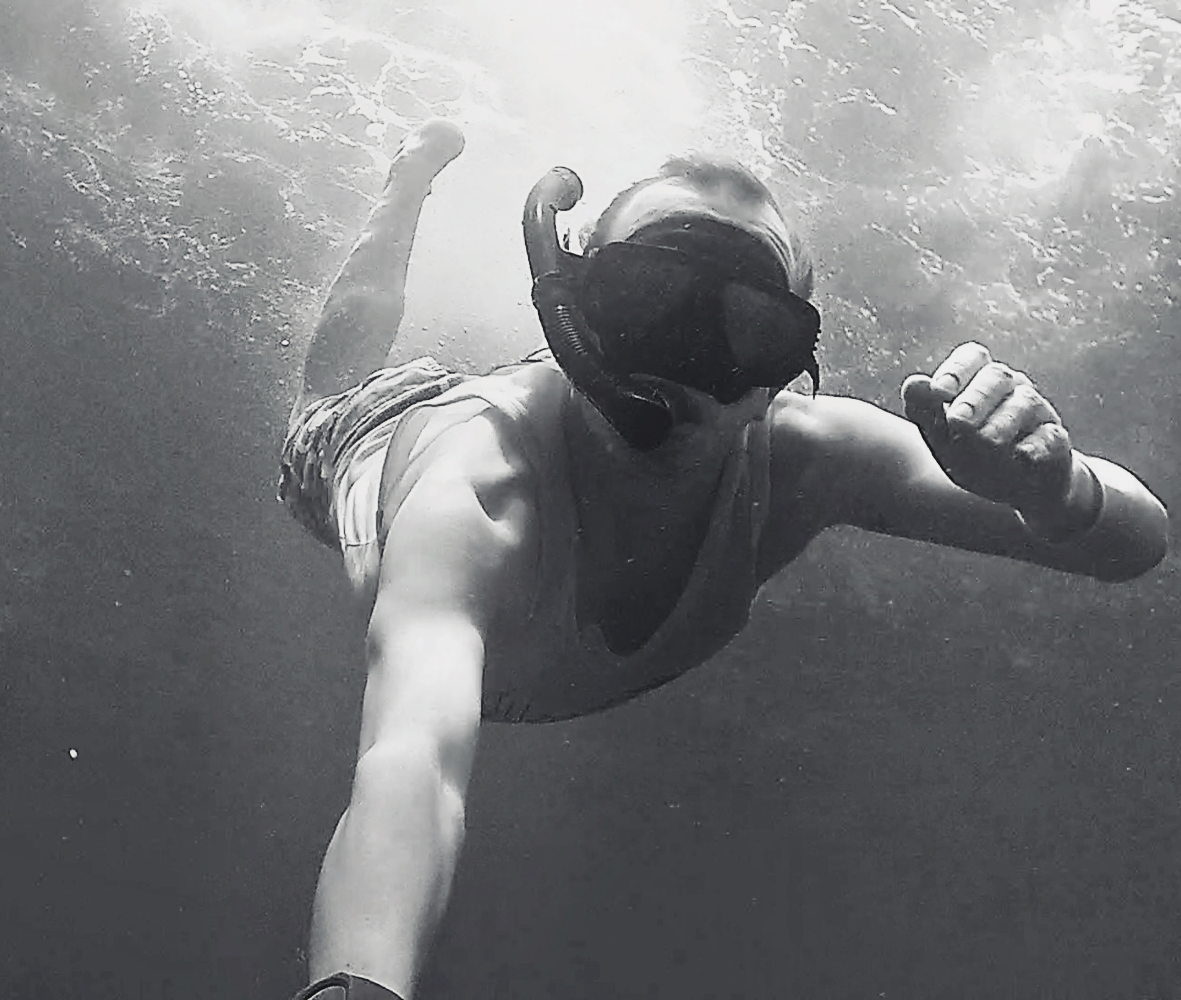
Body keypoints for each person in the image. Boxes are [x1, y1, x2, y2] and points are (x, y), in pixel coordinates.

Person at [276, 120, 1170, 1000]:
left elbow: (1137, 541)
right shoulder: (473, 496)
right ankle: (406, 187)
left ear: (786, 370)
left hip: (535, 410)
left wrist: (1054, 489)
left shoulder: (809, 456)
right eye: (646, 302)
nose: (682, 366)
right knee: (331, 386)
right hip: (373, 436)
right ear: (571, 309)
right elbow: (411, 767)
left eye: (745, 328)